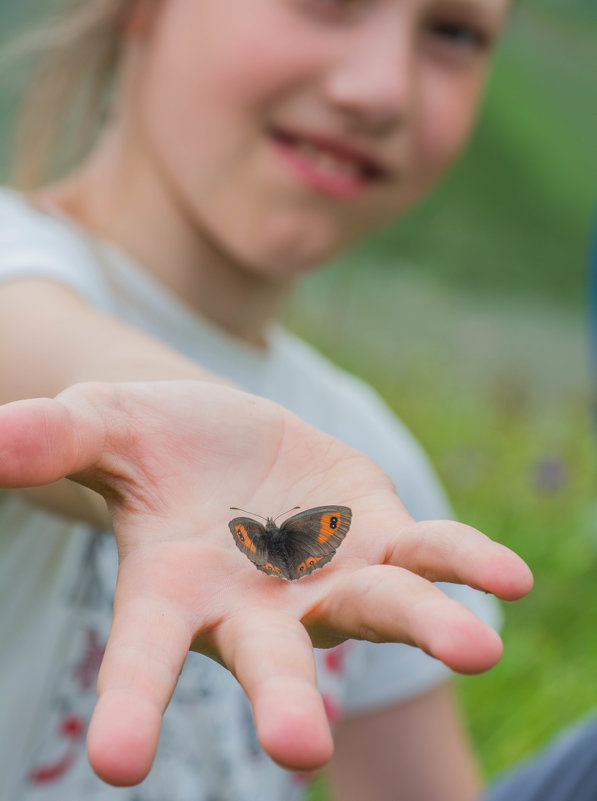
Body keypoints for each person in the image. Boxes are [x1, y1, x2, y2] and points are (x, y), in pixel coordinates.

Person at [0, 1, 533, 799]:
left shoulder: (372, 471)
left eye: (453, 33)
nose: (381, 89)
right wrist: (159, 433)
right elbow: (35, 351)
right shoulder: (19, 277)